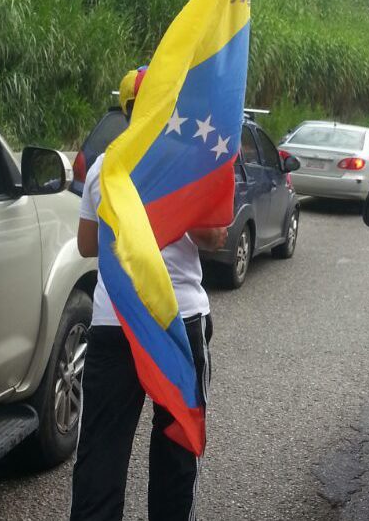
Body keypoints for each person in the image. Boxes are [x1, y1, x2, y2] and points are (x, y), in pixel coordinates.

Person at [69, 67, 228, 521]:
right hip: (177, 322)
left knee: (100, 449)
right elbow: (213, 237)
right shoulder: (188, 160)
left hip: (113, 321)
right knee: (176, 445)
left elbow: (86, 244)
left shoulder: (105, 165)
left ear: (126, 110)